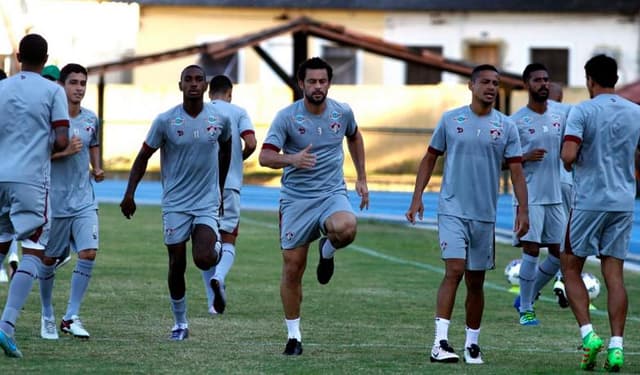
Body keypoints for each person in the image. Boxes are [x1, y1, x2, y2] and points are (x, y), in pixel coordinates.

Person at [406, 64, 529, 365]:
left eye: (495, 83)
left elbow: (516, 171)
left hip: (484, 214)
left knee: (476, 282)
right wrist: (417, 197)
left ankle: (472, 343)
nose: (491, 87)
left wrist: (523, 209)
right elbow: (429, 157)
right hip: (452, 209)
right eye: (485, 82)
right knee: (455, 270)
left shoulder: (506, 126)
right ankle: (440, 342)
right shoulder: (450, 120)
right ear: (471, 86)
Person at [259, 57, 369, 356]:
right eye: (312, 81)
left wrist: (361, 177)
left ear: (329, 83)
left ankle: (328, 249)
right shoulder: (287, 117)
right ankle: (294, 336)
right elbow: (265, 157)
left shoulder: (342, 112)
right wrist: (292, 159)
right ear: (301, 84)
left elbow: (355, 136)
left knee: (347, 227)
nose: (317, 86)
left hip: (331, 192)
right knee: (293, 268)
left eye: (322, 81)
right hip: (295, 200)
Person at [120, 64, 232, 341]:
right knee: (176, 264)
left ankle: (217, 259)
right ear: (180, 85)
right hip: (175, 204)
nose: (194, 84)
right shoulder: (166, 121)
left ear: (206, 86)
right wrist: (129, 193)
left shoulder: (219, 119)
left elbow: (227, 148)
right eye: (188, 80)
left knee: (204, 258)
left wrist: (219, 188)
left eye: (198, 79)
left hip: (205, 202)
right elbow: (143, 156)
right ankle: (180, 323)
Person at [561, 54, 640, 372]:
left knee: (569, 268)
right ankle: (617, 347)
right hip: (622, 200)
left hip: (589, 200)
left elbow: (568, 153)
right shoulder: (636, 112)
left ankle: (589, 335)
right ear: (616, 80)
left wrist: (571, 161)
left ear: (589, 80)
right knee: (614, 275)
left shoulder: (582, 110)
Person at [0, 33, 70, 358]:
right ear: (46, 59)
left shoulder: (2, 88)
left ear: (17, 56)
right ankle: (7, 326)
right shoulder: (53, 91)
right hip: (31, 180)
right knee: (34, 249)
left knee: (1, 243)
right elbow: (60, 139)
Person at [37, 63, 104, 340]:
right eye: (73, 82)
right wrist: (63, 153)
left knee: (88, 252)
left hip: (84, 200)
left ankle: (70, 316)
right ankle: (47, 314)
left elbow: (94, 144)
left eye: (83, 83)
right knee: (48, 260)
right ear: (61, 86)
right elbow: (37, 158)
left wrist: (97, 167)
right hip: (55, 202)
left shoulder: (91, 119)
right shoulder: (49, 120)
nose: (79, 88)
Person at [510, 64, 568, 325]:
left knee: (559, 254)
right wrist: (523, 157)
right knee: (531, 250)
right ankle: (526, 310)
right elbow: (501, 161)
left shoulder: (559, 117)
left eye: (546, 79)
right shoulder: (516, 121)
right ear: (526, 85)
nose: (543, 84)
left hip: (555, 196)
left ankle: (526, 296)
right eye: (537, 80)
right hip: (529, 197)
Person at [200, 75, 256, 315]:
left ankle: (213, 303)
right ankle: (219, 277)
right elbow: (251, 142)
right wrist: (238, 159)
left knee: (204, 243)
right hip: (230, 184)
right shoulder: (238, 111)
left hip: (201, 188)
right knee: (228, 238)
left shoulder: (199, 111)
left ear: (208, 92)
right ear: (230, 93)